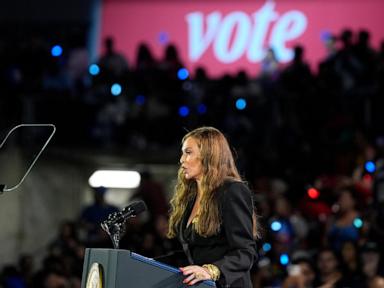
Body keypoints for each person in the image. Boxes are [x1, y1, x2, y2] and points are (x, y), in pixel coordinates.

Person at [167, 126, 258, 287]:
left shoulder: (232, 190)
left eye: (188, 152)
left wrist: (211, 271)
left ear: (209, 155)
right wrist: (143, 261)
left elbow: (244, 252)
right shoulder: (190, 197)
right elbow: (189, 253)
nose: (182, 160)